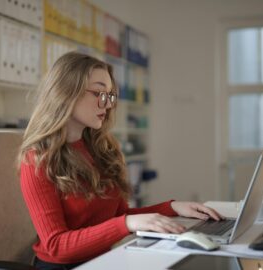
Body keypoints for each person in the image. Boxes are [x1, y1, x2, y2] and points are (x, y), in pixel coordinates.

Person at [18, 51, 223, 270]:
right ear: (66, 93)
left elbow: (118, 217)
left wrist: (173, 208)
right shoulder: (37, 160)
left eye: (110, 95)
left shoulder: (102, 149)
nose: (107, 105)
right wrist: (125, 224)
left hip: (103, 261)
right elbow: (56, 245)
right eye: (99, 93)